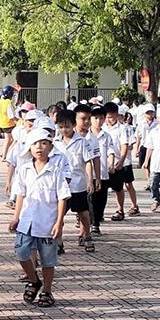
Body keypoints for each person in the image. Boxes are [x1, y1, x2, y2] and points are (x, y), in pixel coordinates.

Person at [9, 127, 71, 308]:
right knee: (21, 253)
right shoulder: (25, 169)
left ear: (50, 147)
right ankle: (34, 280)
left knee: (47, 260)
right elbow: (20, 194)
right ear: (29, 147)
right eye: (35, 143)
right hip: (26, 220)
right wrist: (16, 217)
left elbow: (62, 198)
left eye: (44, 143)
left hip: (47, 221)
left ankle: (47, 291)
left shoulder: (56, 171)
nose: (39, 147)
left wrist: (59, 222)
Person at [54, 109, 97, 253]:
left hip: (78, 185)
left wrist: (90, 180)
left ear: (73, 125)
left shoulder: (81, 142)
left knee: (83, 213)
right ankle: (58, 241)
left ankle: (87, 236)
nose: (63, 130)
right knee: (57, 215)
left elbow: (88, 162)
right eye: (60, 126)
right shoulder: (54, 143)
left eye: (66, 126)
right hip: (61, 186)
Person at [88, 106, 115, 235]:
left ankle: (97, 218)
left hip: (103, 173)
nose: (98, 121)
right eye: (95, 118)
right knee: (90, 199)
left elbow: (110, 151)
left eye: (101, 118)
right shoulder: (86, 136)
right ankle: (94, 223)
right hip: (88, 174)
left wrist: (111, 164)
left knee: (101, 200)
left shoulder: (107, 136)